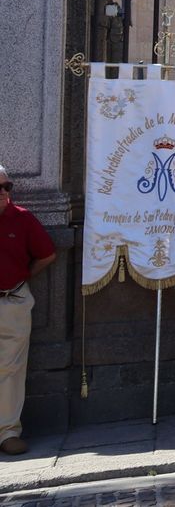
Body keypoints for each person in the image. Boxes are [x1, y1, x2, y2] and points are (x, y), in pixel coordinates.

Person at [0, 168, 56, 456]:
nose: (3, 192)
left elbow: (47, 254)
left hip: (12, 302)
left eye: (7, 186)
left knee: (10, 369)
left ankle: (8, 432)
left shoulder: (22, 218)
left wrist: (20, 280)